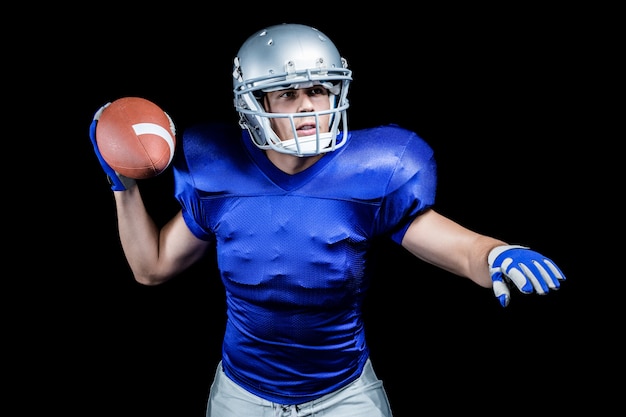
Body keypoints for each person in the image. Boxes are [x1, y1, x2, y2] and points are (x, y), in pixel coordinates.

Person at [89, 23, 566, 417]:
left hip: (344, 394)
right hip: (241, 394)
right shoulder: (219, 172)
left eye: (319, 90)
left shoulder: (374, 171)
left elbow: (462, 251)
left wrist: (497, 253)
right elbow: (150, 268)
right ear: (255, 103)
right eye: (287, 94)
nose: (308, 109)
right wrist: (123, 187)